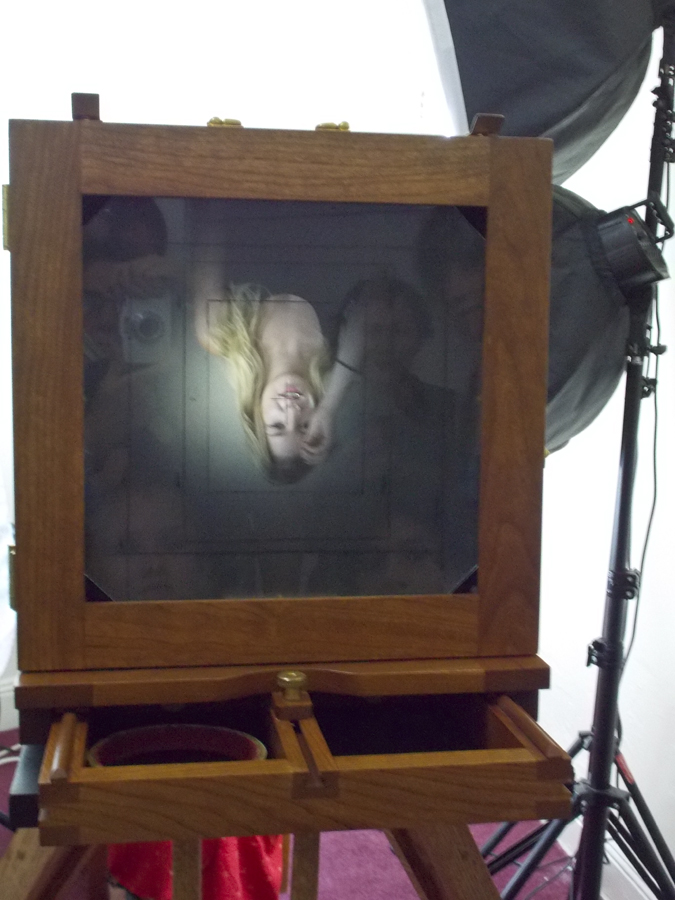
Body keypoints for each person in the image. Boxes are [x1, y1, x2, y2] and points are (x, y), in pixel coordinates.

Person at [195, 280, 365, 482]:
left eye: (277, 426)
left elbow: (203, 264)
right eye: (305, 425)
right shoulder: (340, 355)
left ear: (257, 419)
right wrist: (328, 408)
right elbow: (367, 310)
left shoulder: (217, 332)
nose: (291, 411)